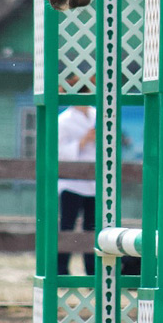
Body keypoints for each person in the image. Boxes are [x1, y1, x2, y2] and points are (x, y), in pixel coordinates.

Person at [56, 103, 97, 275]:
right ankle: (62, 270)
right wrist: (84, 140)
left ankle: (92, 271)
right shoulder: (64, 120)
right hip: (71, 183)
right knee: (67, 226)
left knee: (92, 228)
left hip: (94, 182)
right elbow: (60, 152)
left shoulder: (97, 114)